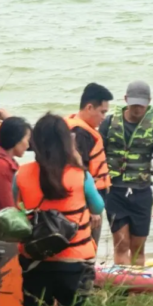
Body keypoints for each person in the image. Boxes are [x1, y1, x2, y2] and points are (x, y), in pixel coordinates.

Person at [14, 114, 104, 306]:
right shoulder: (79, 175)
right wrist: (78, 163)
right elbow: (97, 207)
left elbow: (17, 209)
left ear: (36, 142)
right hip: (76, 262)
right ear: (67, 142)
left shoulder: (21, 174)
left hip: (35, 262)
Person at [100, 81, 153, 266]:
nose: (137, 108)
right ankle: (120, 292)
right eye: (134, 103)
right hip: (115, 190)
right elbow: (97, 155)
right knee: (121, 244)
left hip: (141, 192)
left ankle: (134, 291)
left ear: (149, 102)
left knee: (138, 248)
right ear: (126, 100)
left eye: (141, 104)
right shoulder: (109, 122)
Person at [65, 83, 113, 247]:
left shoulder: (72, 127)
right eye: (102, 112)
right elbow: (80, 175)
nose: (104, 117)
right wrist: (92, 210)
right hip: (87, 209)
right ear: (90, 107)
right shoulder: (82, 135)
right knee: (88, 250)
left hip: (80, 206)